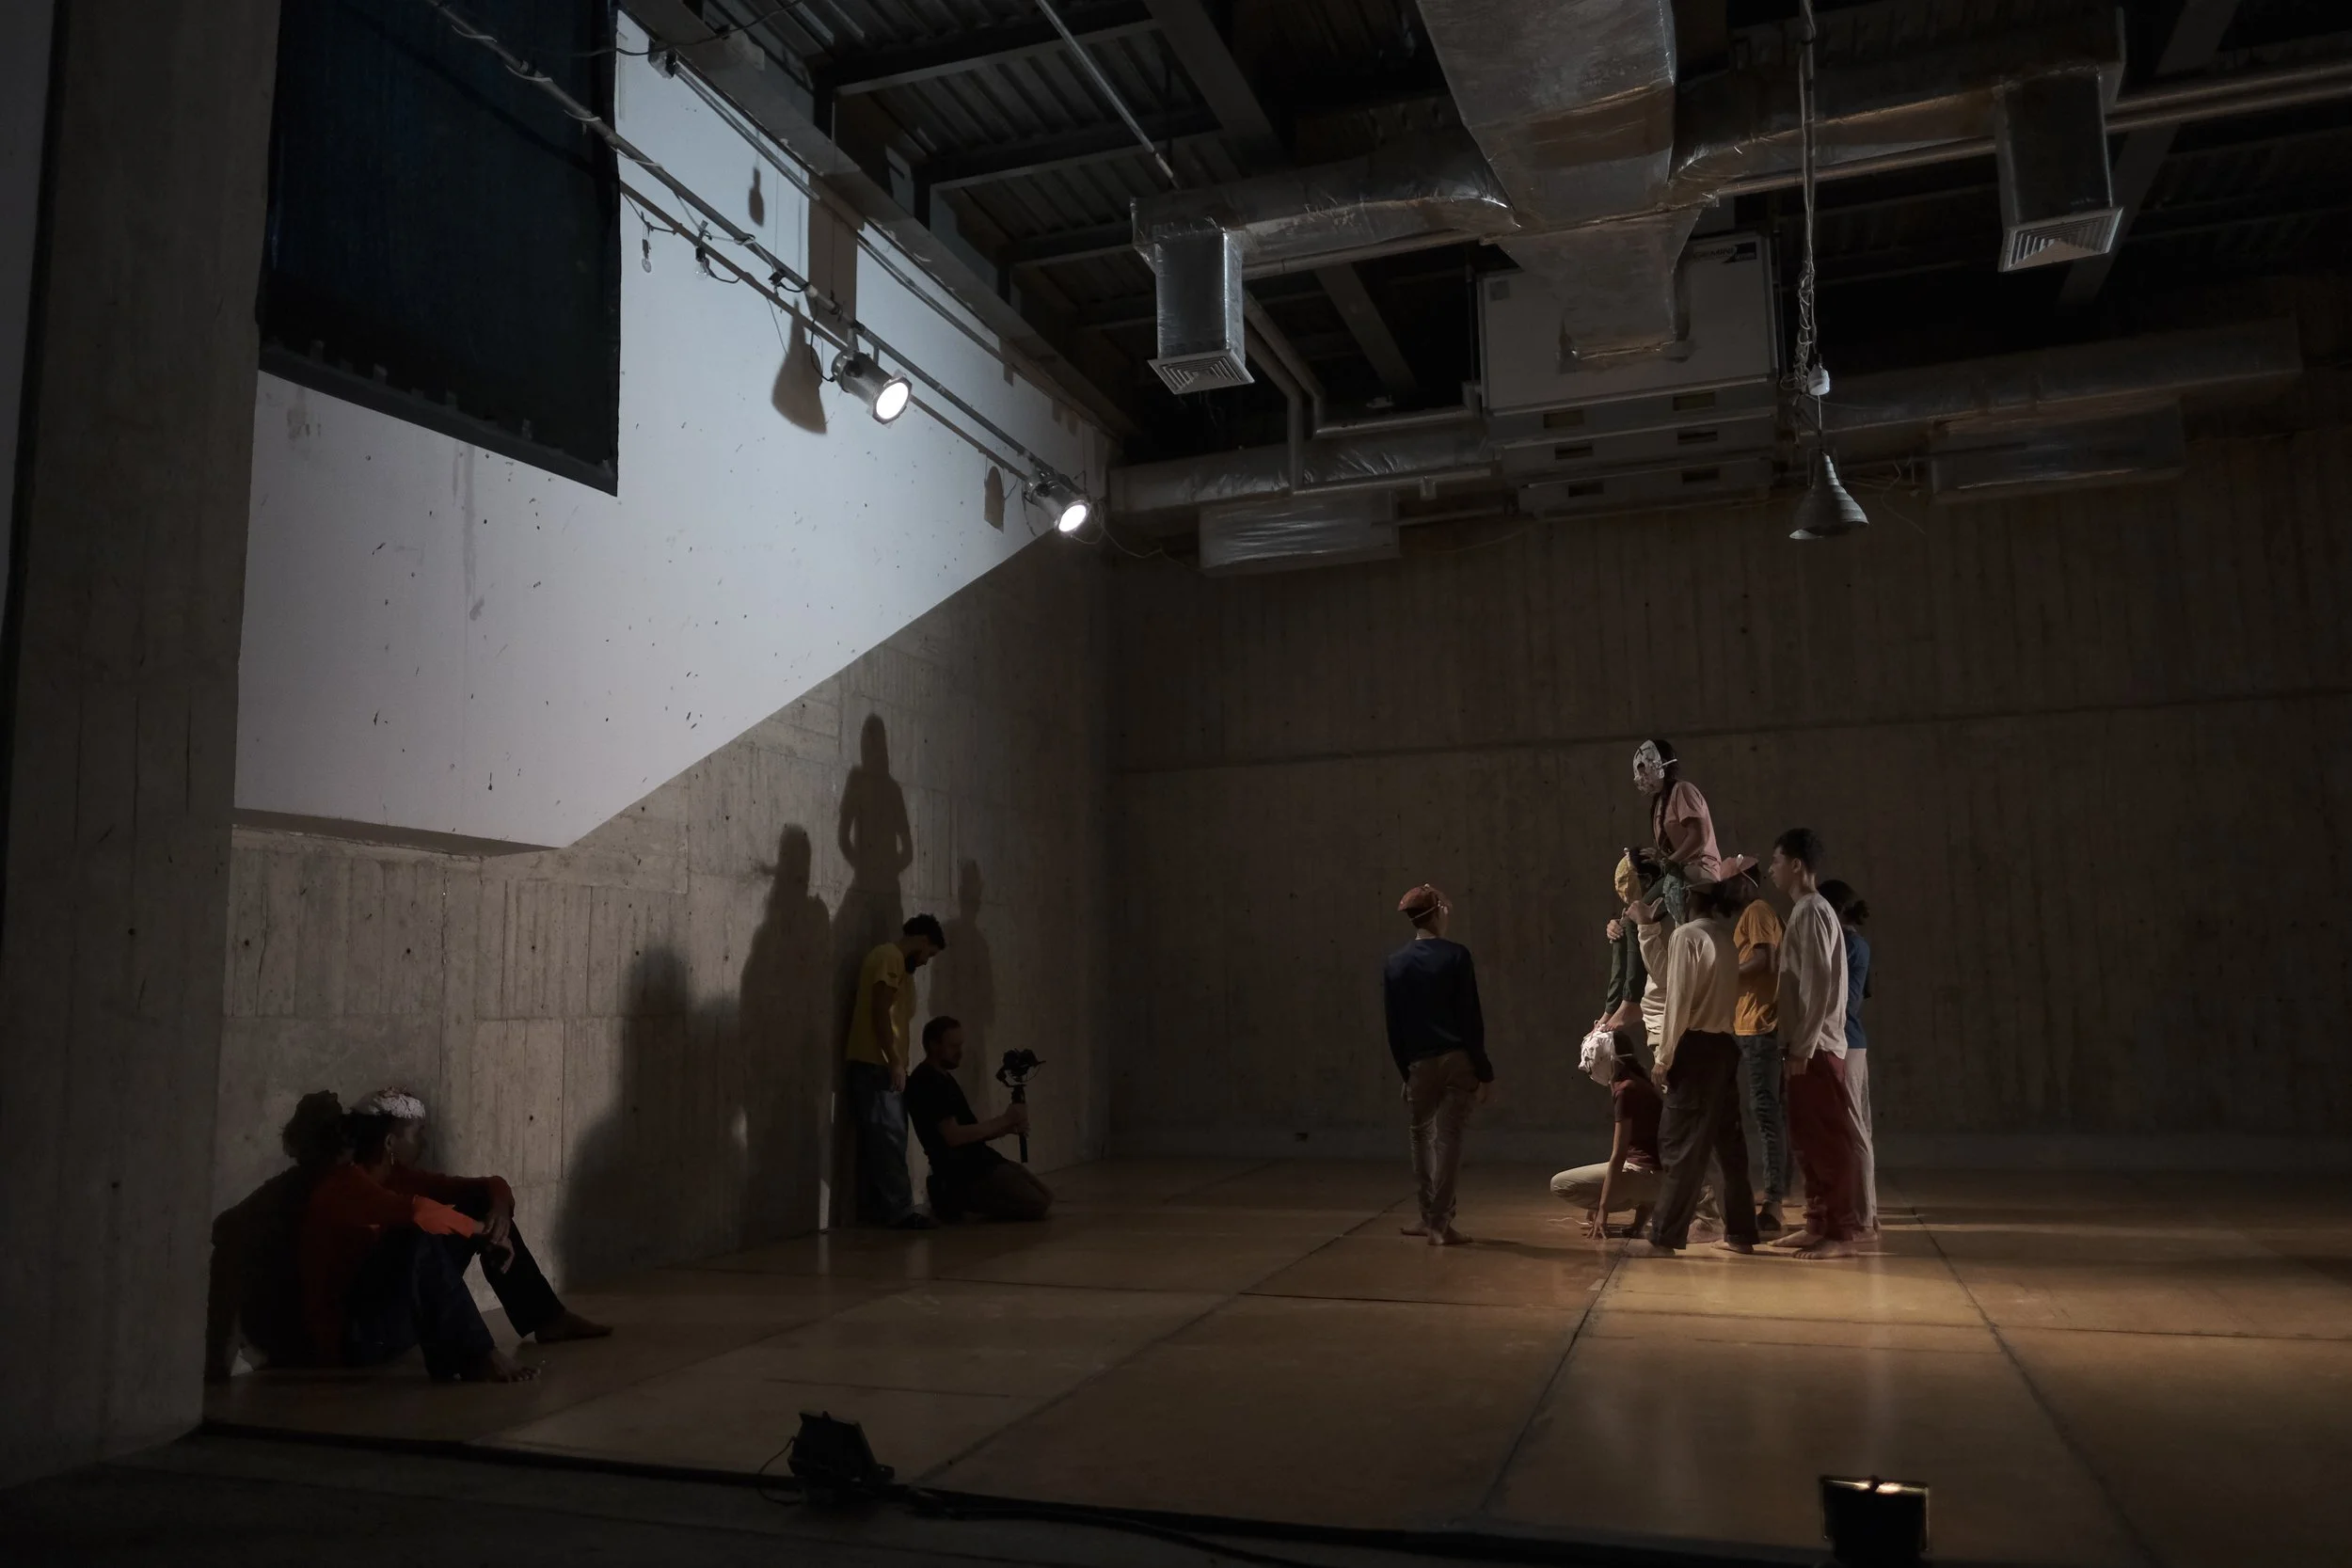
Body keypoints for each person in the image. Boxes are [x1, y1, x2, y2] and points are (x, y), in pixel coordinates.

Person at [298, 1089, 609, 1383]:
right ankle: (476, 1356)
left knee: (478, 1205)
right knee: (416, 1235)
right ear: (390, 1143)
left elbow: (488, 1186)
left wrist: (498, 1212)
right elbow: (419, 1213)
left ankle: (547, 1319)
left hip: (391, 1323)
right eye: (417, 1133)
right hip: (354, 1340)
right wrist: (482, 1232)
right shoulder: (343, 1186)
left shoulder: (398, 1177)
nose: (424, 1141)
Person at [1632, 880, 1757, 1255]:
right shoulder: (1724, 937)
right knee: (1728, 1146)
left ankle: (1665, 1236)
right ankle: (1741, 1234)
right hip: (1724, 1046)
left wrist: (1664, 1056)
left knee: (1679, 1146)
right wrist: (1647, 930)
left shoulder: (1687, 935)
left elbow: (1678, 999)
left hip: (1695, 1048)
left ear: (1687, 898)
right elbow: (1673, 980)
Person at [1768, 830, 1865, 1259]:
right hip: (1805, 1045)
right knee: (1806, 1138)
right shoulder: (1806, 911)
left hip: (1817, 1048)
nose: (1771, 869)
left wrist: (1804, 1046)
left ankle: (1840, 1232)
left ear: (1795, 865)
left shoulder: (1812, 911)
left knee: (1826, 1140)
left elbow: (1819, 984)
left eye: (1776, 861)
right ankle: (1817, 1223)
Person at [1383, 884, 1494, 1247]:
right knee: (1449, 1138)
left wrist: (1406, 1072)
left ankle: (1428, 1215)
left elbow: (1394, 1027)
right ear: (1438, 913)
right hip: (1457, 1061)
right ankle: (1440, 1223)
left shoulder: (1396, 963)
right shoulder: (1456, 956)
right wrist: (1484, 1071)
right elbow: (1470, 1018)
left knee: (1421, 1136)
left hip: (1418, 1062)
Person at [845, 914, 947, 1228]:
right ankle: (900, 1212)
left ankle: (882, 1209)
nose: (926, 961)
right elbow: (880, 1012)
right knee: (890, 1138)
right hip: (876, 1063)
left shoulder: (901, 967)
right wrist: (894, 1061)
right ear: (922, 940)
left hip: (880, 1063)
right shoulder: (890, 957)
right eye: (929, 954)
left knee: (884, 1139)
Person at [905, 1016, 1054, 1223]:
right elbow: (953, 1136)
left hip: (980, 1161)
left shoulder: (943, 1077)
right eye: (953, 1046)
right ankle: (954, 1198)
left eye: (960, 1045)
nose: (960, 1052)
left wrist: (1007, 1128)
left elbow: (970, 1131)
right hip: (964, 1172)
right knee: (1037, 1203)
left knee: (1046, 1196)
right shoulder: (927, 1081)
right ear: (933, 1045)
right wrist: (1005, 1119)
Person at [1724, 854, 1792, 1236]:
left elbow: (1765, 960)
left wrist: (1722, 973)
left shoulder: (1757, 910)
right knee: (1770, 1114)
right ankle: (1777, 1194)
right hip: (1752, 1026)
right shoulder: (1755, 913)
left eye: (1729, 884)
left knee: (1766, 1115)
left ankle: (1774, 1205)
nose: (1725, 893)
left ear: (1744, 882)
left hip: (1758, 1027)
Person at [1549, 1030, 1664, 1239]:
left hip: (1647, 1178)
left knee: (1560, 1184)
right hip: (1658, 1178)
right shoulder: (1639, 1081)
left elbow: (1619, 1154)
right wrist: (1637, 1225)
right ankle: (1638, 1204)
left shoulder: (1625, 1089)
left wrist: (1602, 1208)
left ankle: (1628, 1199)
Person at [1820, 879, 1877, 1232]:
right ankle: (1866, 1212)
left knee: (1855, 1130)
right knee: (1858, 1128)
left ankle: (1864, 1216)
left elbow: (1847, 1000)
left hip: (1848, 1043)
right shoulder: (1855, 944)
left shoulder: (1848, 945)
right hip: (1853, 1042)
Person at [1632, 739, 1720, 922]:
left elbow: (1698, 837)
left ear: (1659, 764)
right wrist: (1660, 859)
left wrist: (1669, 861)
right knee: (1635, 917)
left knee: (1634, 920)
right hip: (1680, 872)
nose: (1642, 776)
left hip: (1698, 869)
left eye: (1644, 769)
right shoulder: (1660, 801)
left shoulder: (1682, 790)